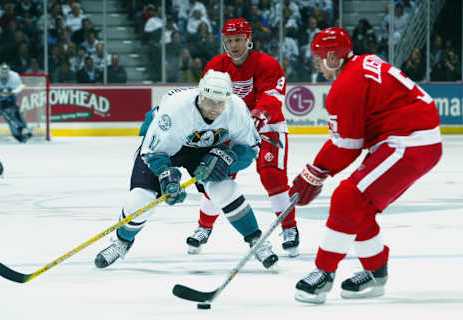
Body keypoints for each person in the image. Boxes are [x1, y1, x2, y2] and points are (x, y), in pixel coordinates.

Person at [289, 27, 442, 304]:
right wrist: (316, 171)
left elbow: (348, 146)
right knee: (359, 207)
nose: (315, 63)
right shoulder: (361, 66)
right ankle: (375, 273)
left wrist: (315, 173)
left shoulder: (346, 85)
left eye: (319, 56)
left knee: (348, 198)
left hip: (410, 143)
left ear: (333, 57)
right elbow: (348, 140)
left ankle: (323, 273)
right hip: (411, 139)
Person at [94, 70, 279, 270]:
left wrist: (228, 160)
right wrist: (166, 176)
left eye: (220, 103)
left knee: (223, 189)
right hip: (163, 148)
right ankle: (121, 242)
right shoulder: (176, 109)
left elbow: (250, 148)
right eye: (209, 102)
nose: (215, 109)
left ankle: (256, 242)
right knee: (141, 199)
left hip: (202, 149)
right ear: (200, 95)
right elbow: (153, 151)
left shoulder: (236, 108)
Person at [185, 18, 300, 257]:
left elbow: (273, 97)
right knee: (217, 174)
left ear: (249, 39)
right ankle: (203, 227)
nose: (234, 45)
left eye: (238, 39)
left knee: (272, 175)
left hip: (268, 126)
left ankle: (289, 229)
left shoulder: (267, 64)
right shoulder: (216, 65)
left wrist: (258, 115)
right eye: (229, 41)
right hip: (231, 130)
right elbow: (205, 99)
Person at [0, 63, 32, 143]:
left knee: (15, 115)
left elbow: (19, 89)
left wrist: (11, 96)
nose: (4, 74)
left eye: (6, 72)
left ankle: (21, 135)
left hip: (9, 101)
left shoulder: (15, 77)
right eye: (2, 72)